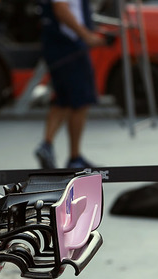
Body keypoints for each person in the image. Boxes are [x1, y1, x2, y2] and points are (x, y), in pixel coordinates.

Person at [34, 0, 105, 169]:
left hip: (60, 45)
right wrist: (86, 35)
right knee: (81, 100)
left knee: (63, 98)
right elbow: (61, 9)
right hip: (69, 46)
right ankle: (74, 157)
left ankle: (47, 145)